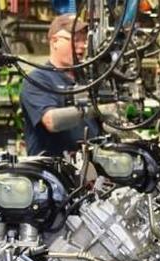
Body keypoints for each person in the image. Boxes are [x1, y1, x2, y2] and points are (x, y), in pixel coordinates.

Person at [19, 14, 105, 156]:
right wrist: (98, 109)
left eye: (84, 40)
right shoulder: (38, 80)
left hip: (89, 167)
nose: (82, 46)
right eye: (75, 40)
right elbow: (51, 121)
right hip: (54, 171)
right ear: (55, 42)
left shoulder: (88, 79)